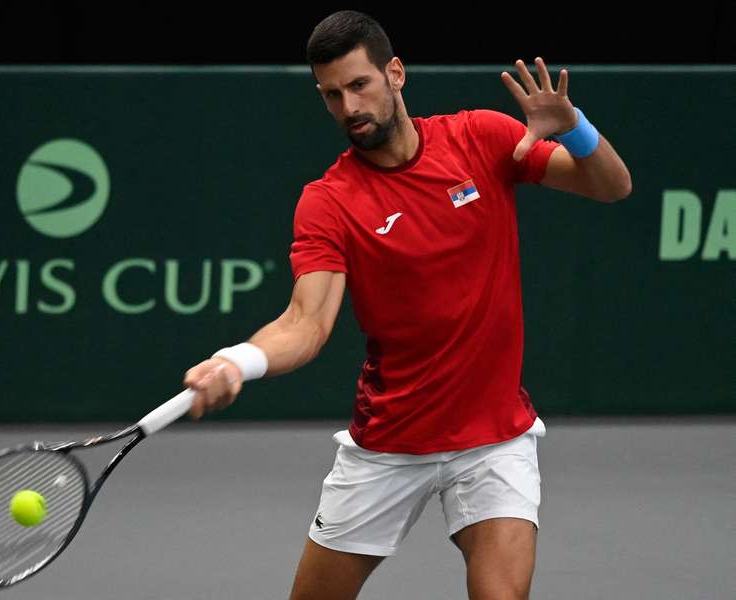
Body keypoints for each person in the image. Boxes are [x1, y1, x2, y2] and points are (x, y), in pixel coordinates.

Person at [183, 10, 631, 600]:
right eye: (332, 95)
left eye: (359, 85)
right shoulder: (329, 201)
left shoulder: (480, 138)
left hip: (494, 438)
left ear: (395, 73)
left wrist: (573, 127)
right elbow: (306, 323)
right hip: (388, 446)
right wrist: (238, 361)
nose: (349, 108)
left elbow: (611, 185)